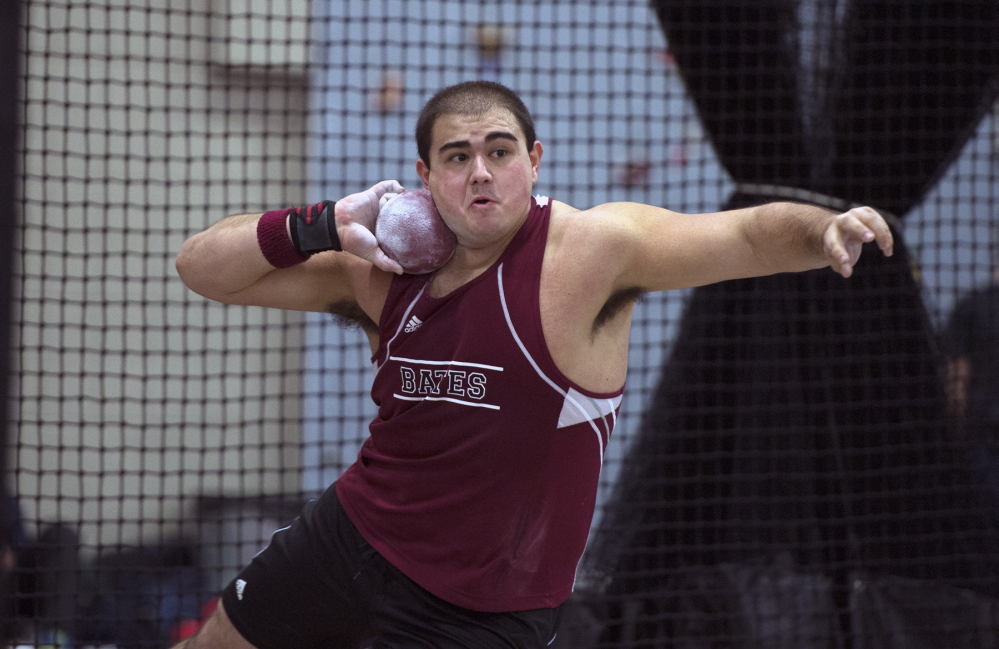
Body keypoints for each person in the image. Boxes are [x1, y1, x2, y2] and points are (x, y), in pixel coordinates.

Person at [172, 80, 894, 648]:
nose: (480, 173)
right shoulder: (381, 268)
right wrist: (319, 223)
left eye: (499, 151)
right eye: (456, 157)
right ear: (424, 176)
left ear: (533, 160)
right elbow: (204, 269)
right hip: (353, 534)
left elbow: (741, 235)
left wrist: (821, 226)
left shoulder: (592, 252)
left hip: (482, 607)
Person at [944, 265, 999, 507]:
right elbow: (958, 370)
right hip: (983, 422)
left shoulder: (972, 305)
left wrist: (956, 423)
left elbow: (958, 372)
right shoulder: (972, 307)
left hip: (981, 421)